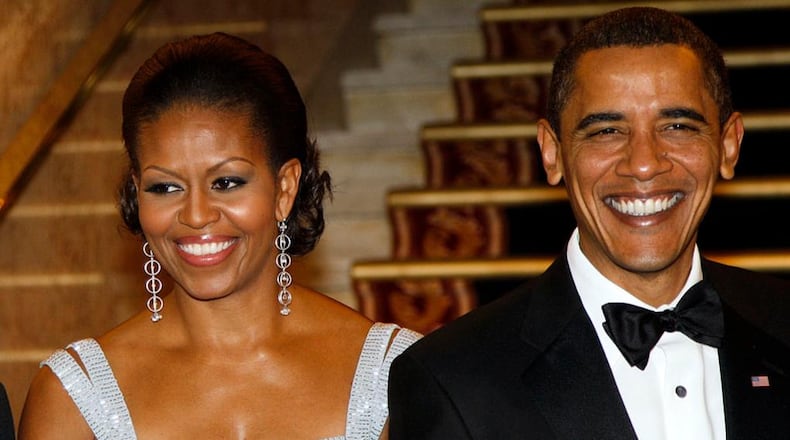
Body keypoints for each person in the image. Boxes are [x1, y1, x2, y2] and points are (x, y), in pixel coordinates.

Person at [388, 7, 790, 439]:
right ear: (552, 153)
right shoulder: (453, 379)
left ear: (728, 145)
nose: (643, 164)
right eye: (606, 131)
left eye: (677, 126)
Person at [17, 32, 420, 439]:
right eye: (165, 187)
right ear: (137, 194)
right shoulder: (75, 399)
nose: (196, 215)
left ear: (284, 189)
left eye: (226, 182)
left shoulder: (394, 377)